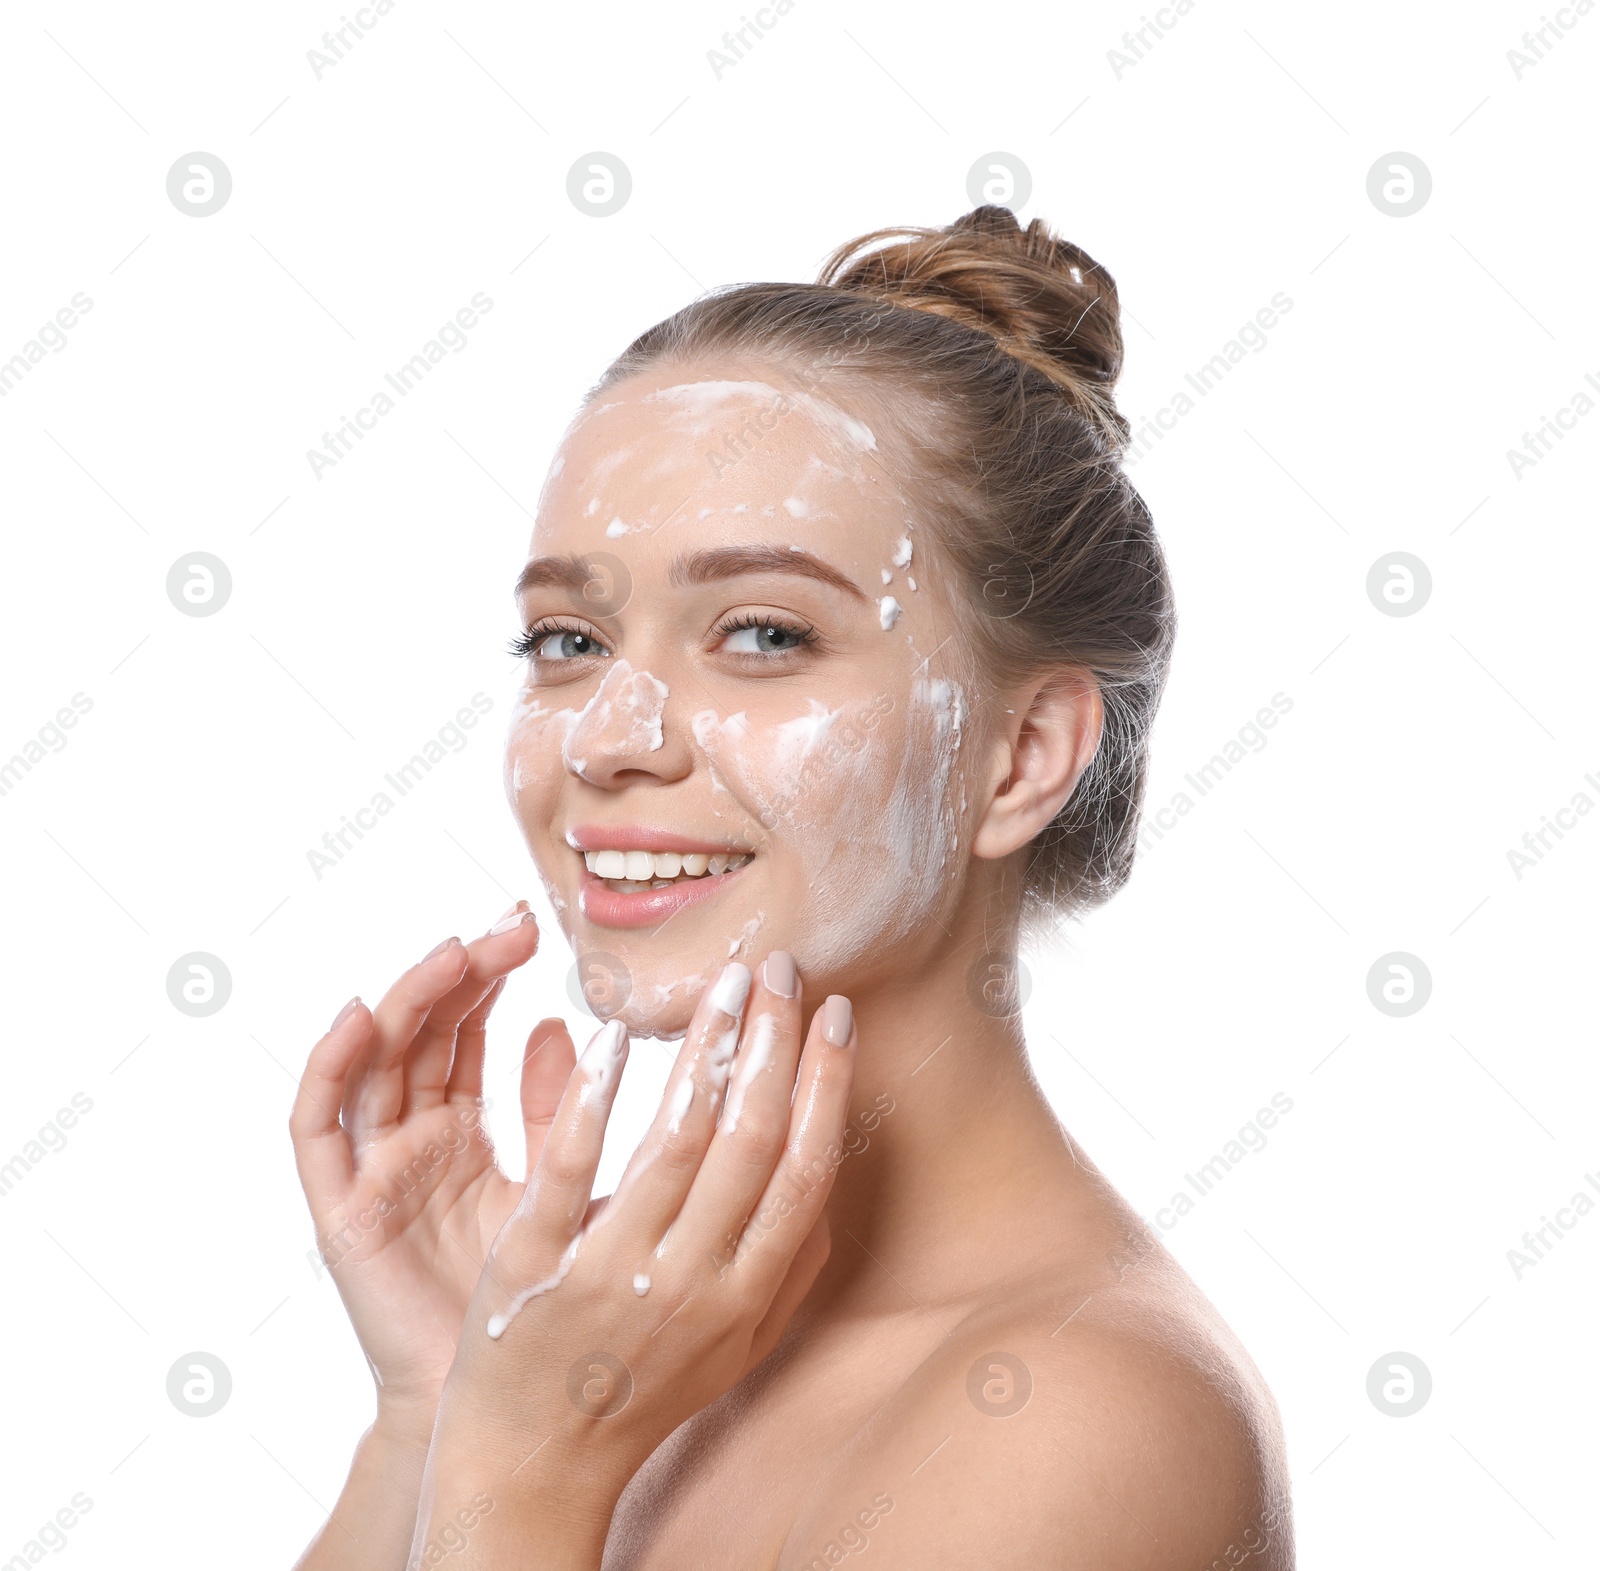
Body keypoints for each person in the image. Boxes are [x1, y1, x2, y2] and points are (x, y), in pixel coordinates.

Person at [290, 204, 1292, 1570]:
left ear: (1021, 756)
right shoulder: (629, 1339)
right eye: (567, 639)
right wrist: (433, 1405)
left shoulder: (1082, 1416)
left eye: (761, 633)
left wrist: (521, 1477)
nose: (605, 735)